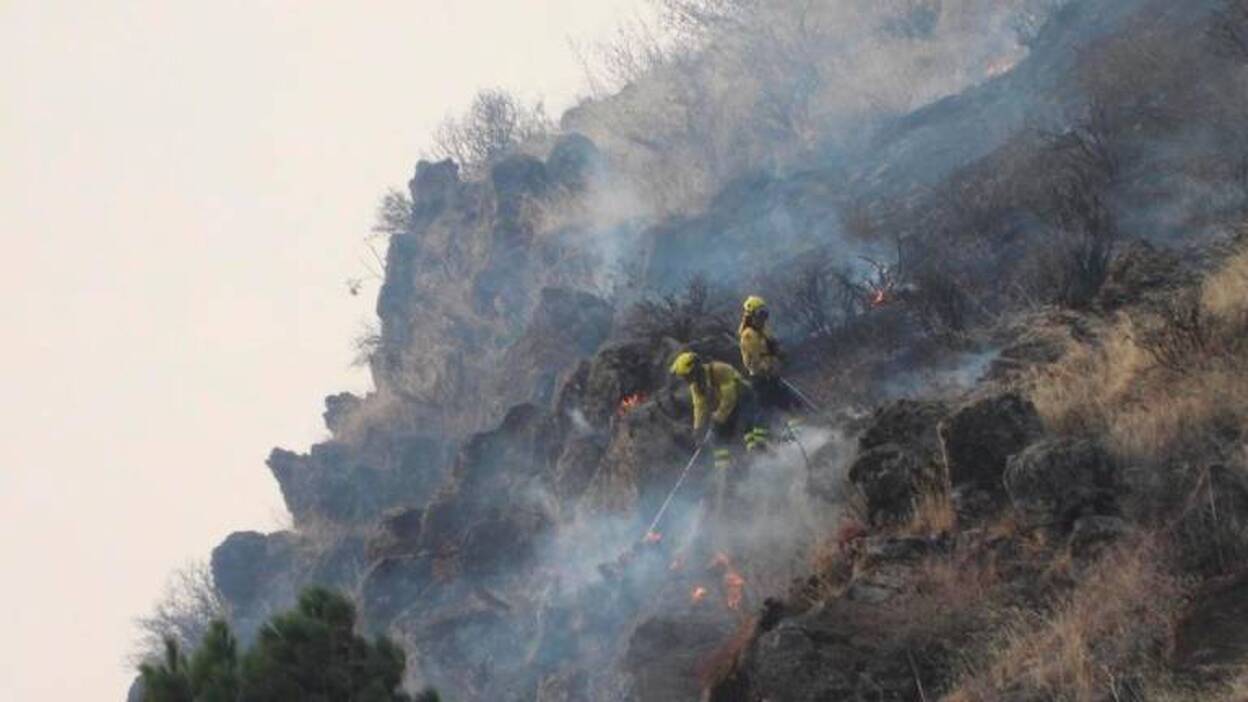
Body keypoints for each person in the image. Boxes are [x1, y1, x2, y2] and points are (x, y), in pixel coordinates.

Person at [737, 295, 800, 413]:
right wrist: (768, 369)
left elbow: (772, 345)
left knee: (791, 403)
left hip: (772, 377)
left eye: (765, 314)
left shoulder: (763, 329)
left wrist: (779, 353)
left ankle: (800, 427)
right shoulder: (748, 336)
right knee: (766, 411)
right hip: (761, 380)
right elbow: (754, 362)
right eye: (760, 314)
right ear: (751, 316)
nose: (763, 318)